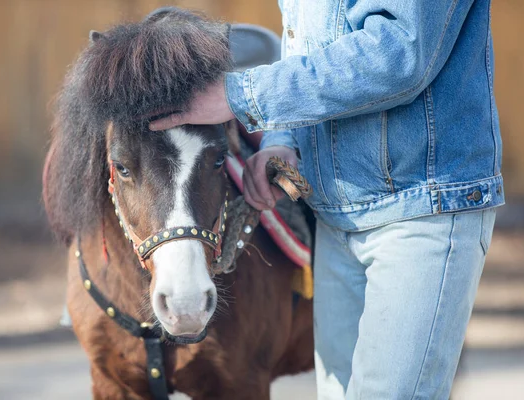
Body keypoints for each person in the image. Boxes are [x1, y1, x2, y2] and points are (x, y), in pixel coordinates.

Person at [150, 0, 504, 398]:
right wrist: (283, 138)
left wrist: (241, 94)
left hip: (422, 206)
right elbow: (304, 39)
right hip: (336, 214)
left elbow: (401, 52)